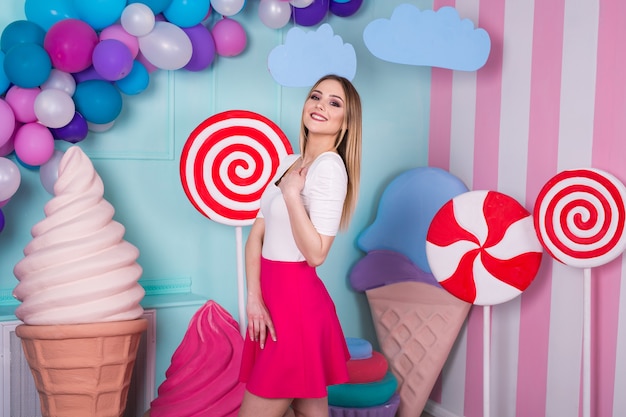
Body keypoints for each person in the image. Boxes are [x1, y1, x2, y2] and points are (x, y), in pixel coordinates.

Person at [237, 74, 362, 417]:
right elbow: (256, 237)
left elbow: (317, 254)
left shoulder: (330, 168)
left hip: (296, 307)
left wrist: (292, 195)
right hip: (271, 300)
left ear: (346, 121)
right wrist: (254, 298)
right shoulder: (287, 162)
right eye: (315, 96)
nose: (320, 105)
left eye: (334, 103)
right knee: (310, 409)